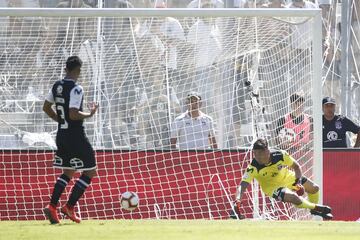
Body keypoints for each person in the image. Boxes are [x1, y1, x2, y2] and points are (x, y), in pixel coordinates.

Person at [42, 56, 99, 224]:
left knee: (68, 171)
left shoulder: (57, 85)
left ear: (66, 69)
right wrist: (90, 114)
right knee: (90, 171)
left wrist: (59, 120)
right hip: (76, 136)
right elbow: (74, 113)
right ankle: (69, 207)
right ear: (78, 70)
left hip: (62, 135)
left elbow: (46, 107)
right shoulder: (76, 88)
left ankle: (52, 206)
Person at [233, 138, 333, 220]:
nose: (257, 157)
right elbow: (243, 185)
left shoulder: (280, 155)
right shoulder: (253, 167)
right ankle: (315, 207)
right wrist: (238, 199)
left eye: (260, 154)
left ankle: (313, 209)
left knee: (314, 188)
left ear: (267, 151)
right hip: (272, 187)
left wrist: (298, 183)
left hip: (288, 177)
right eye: (255, 154)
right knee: (294, 198)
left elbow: (296, 167)